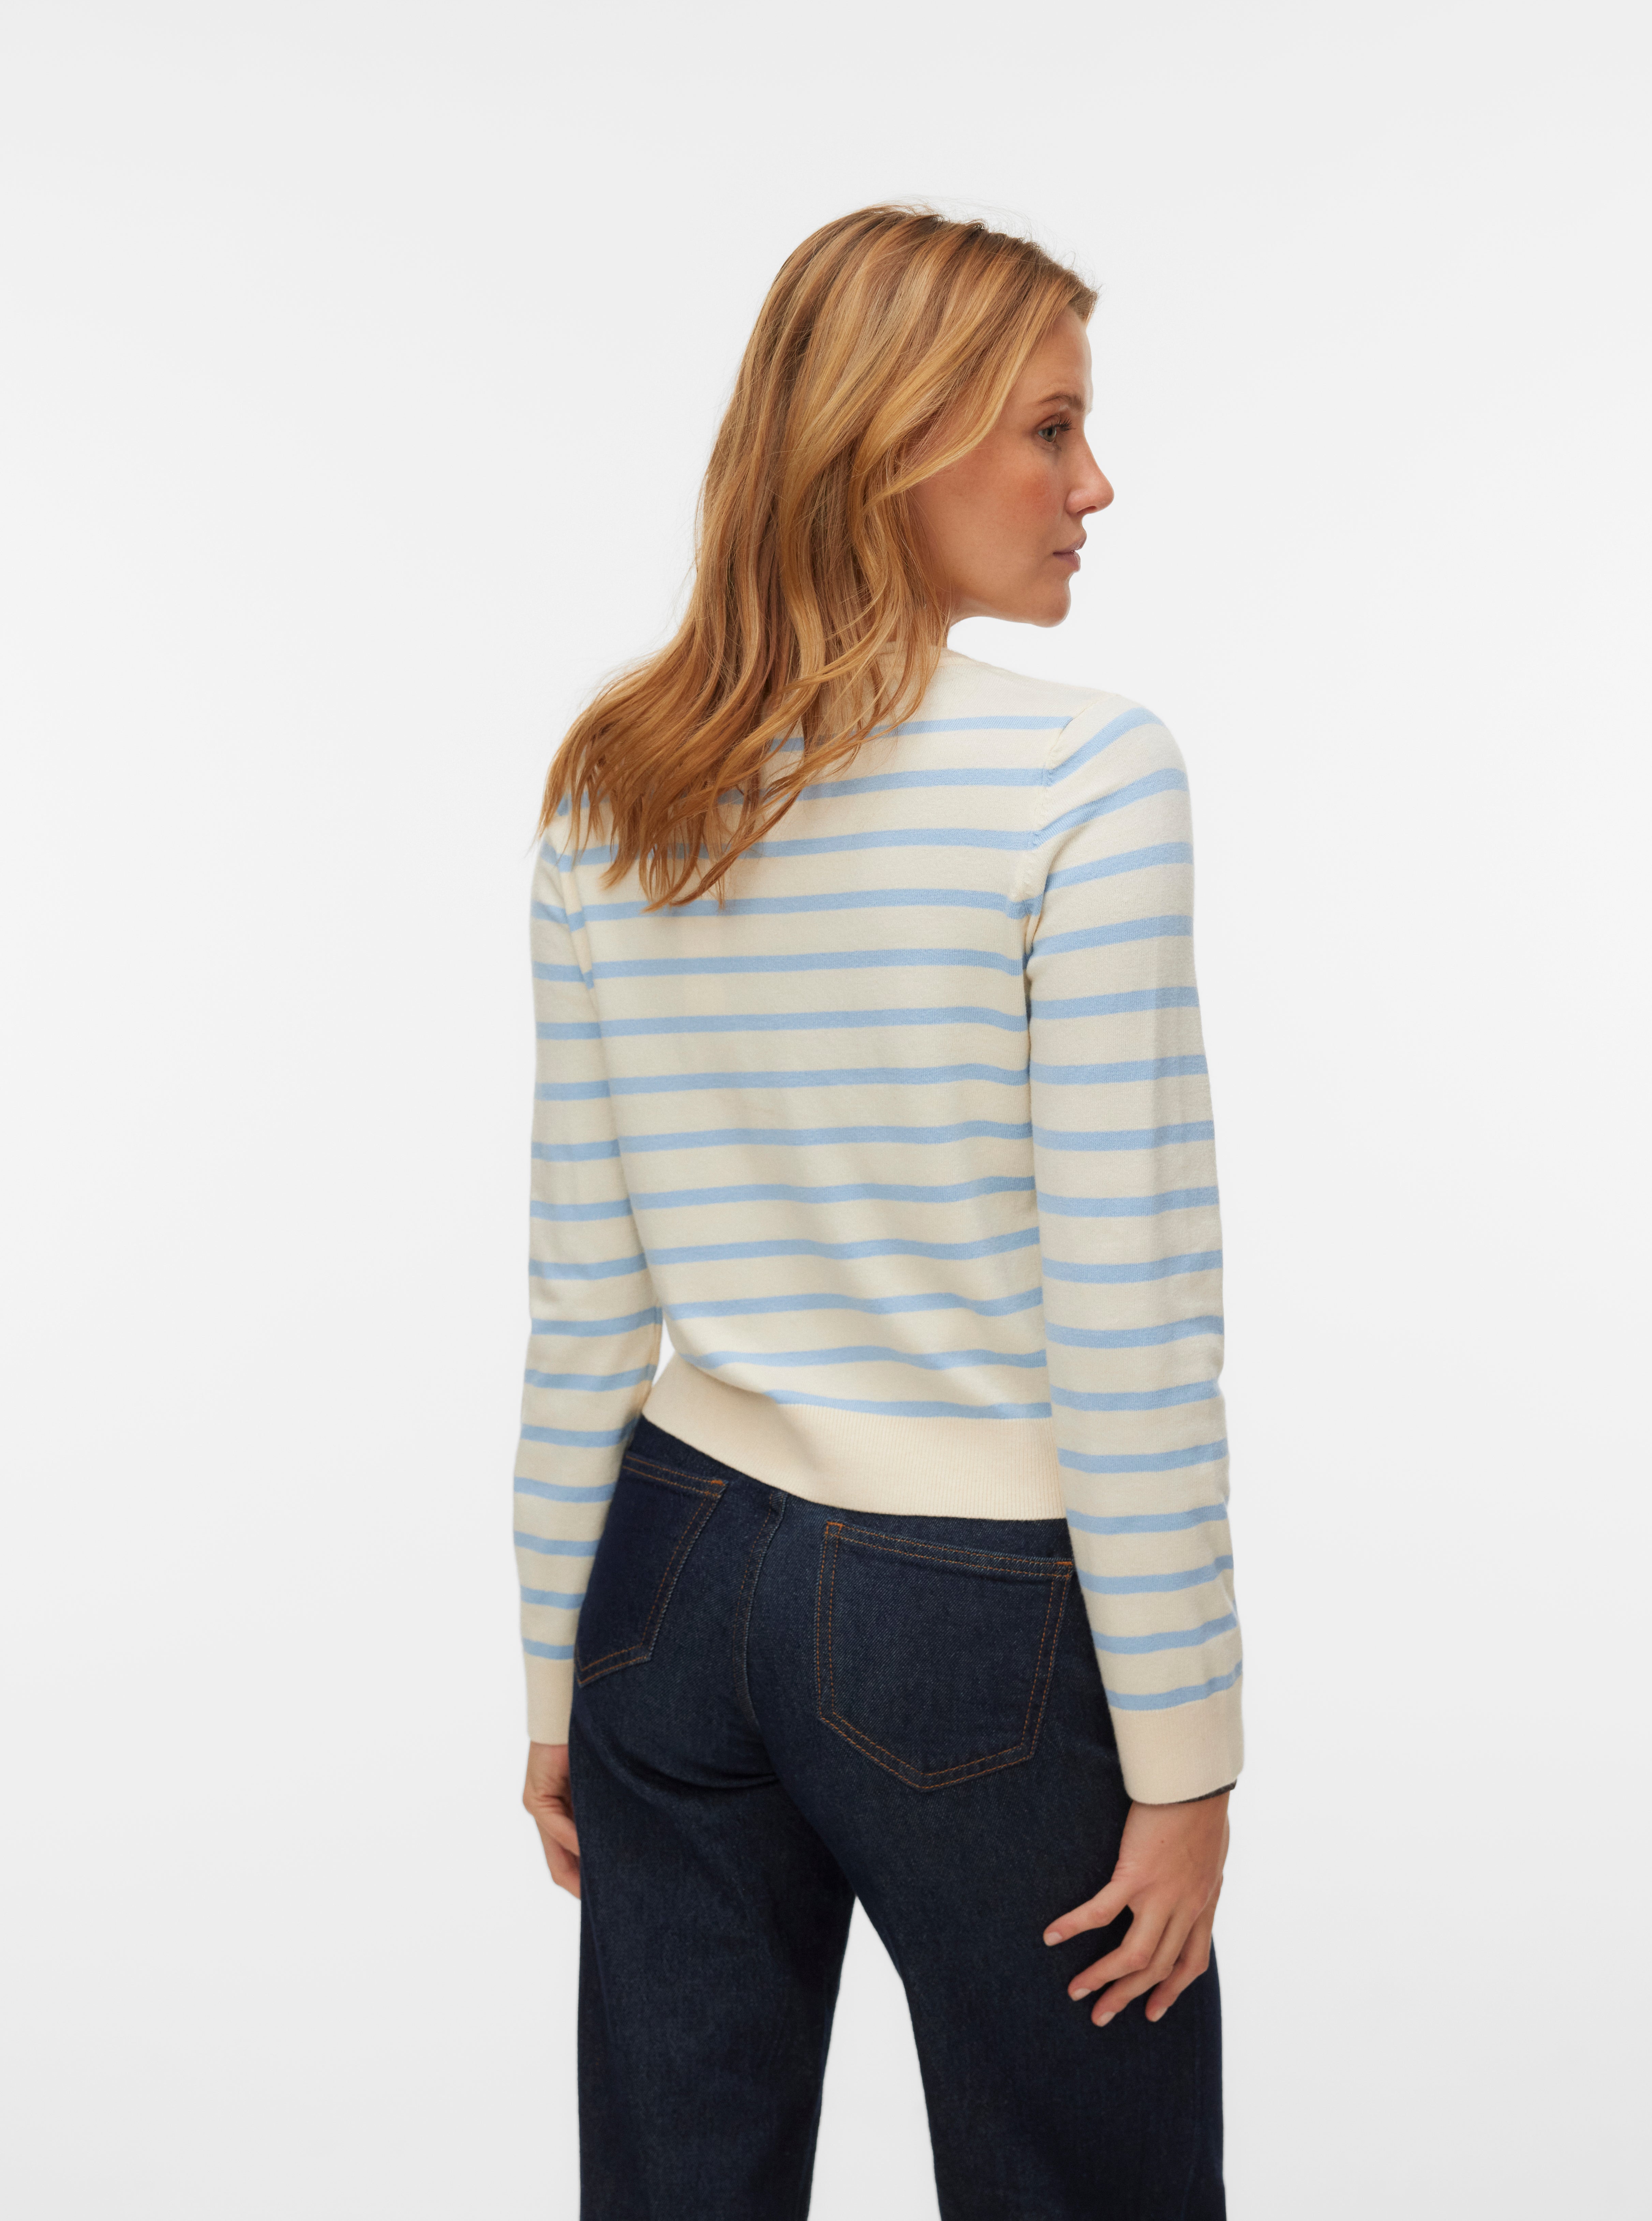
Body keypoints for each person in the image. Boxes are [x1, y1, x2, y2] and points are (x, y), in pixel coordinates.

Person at [514, 205, 1240, 2220]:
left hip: (666, 1581)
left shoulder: (617, 777)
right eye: (1051, 428)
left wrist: (553, 1675)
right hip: (969, 1616)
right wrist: (1187, 1756)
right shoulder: (1087, 779)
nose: (1095, 486)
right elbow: (1128, 1308)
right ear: (897, 439)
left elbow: (585, 1292)